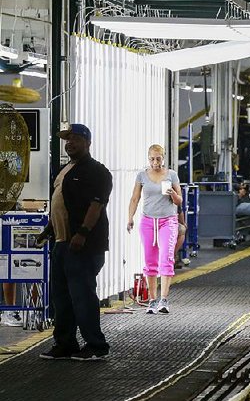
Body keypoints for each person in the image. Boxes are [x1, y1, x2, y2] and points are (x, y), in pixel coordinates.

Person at [36, 123, 112, 361]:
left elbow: (96, 205)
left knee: (82, 296)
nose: (69, 143)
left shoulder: (97, 171)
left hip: (83, 245)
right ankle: (65, 343)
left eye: (75, 139)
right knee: (61, 298)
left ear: (87, 142)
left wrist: (82, 233)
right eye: (67, 139)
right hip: (61, 243)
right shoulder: (63, 170)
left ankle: (96, 345)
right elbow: (60, 205)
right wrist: (48, 230)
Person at [127, 144, 182, 315]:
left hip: (168, 221)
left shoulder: (171, 175)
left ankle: (163, 299)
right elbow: (135, 198)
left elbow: (179, 200)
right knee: (150, 262)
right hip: (148, 221)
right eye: (152, 159)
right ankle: (152, 300)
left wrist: (172, 193)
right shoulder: (142, 175)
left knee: (166, 258)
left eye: (158, 158)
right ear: (148, 158)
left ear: (163, 158)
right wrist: (130, 218)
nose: (155, 162)